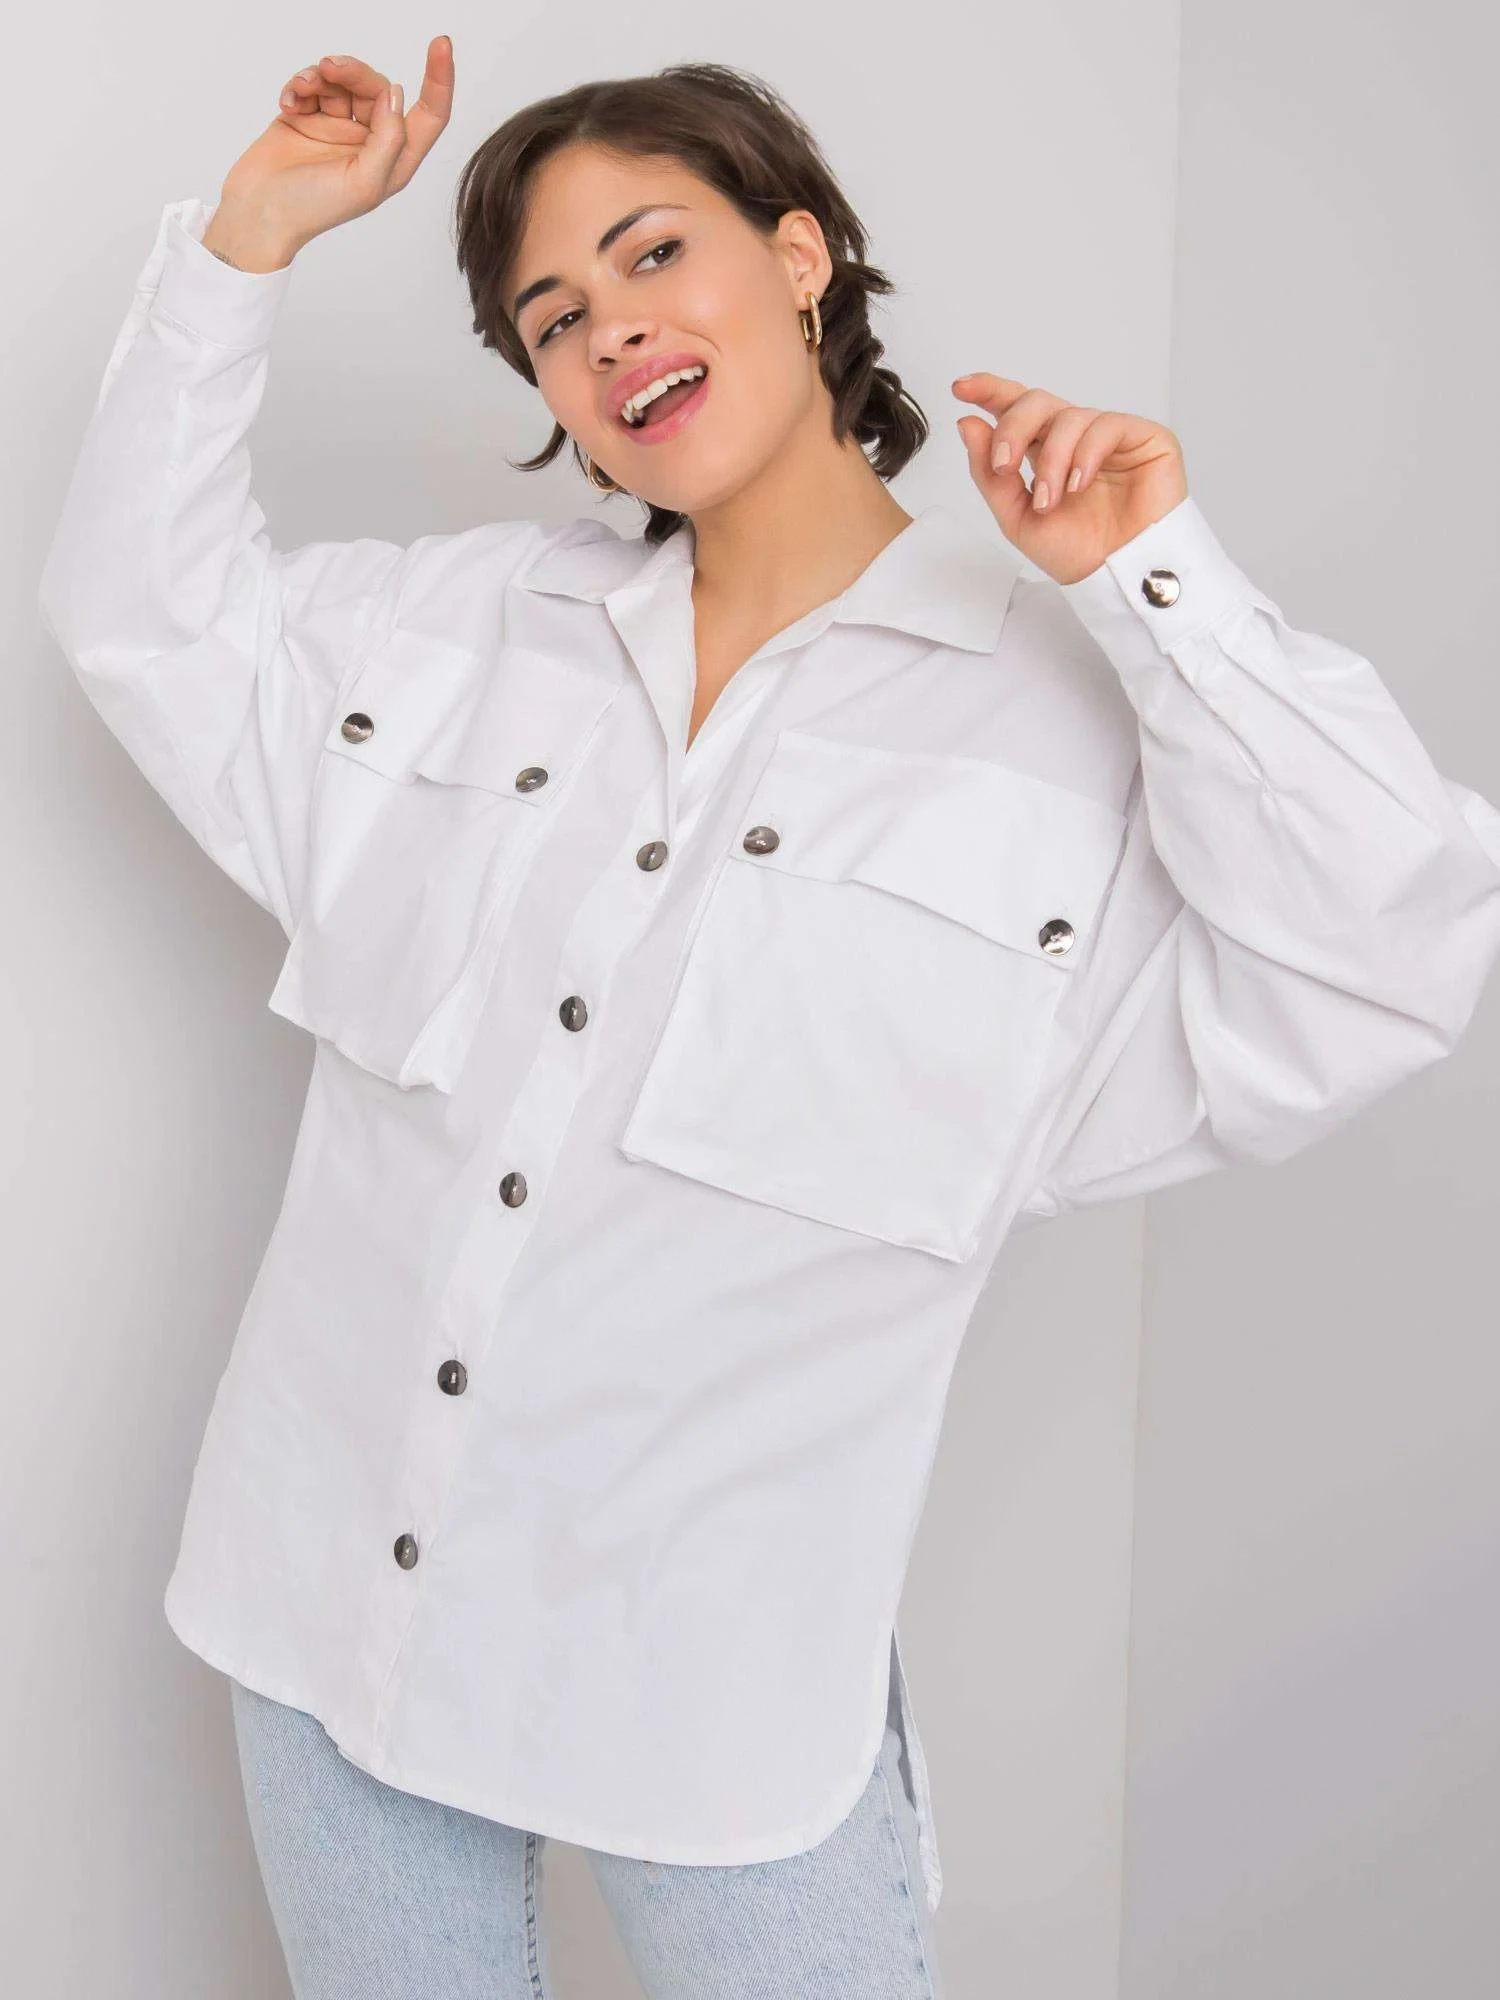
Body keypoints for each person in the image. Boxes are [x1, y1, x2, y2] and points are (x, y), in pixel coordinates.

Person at [37, 34, 1500, 2000]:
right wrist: (247, 242)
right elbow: (142, 610)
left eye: (654, 253)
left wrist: (1156, 583)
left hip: (714, 1701)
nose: (611, 330)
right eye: (554, 317)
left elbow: (1389, 944)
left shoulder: (1062, 723)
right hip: (325, 1606)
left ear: (800, 259)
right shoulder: (458, 638)